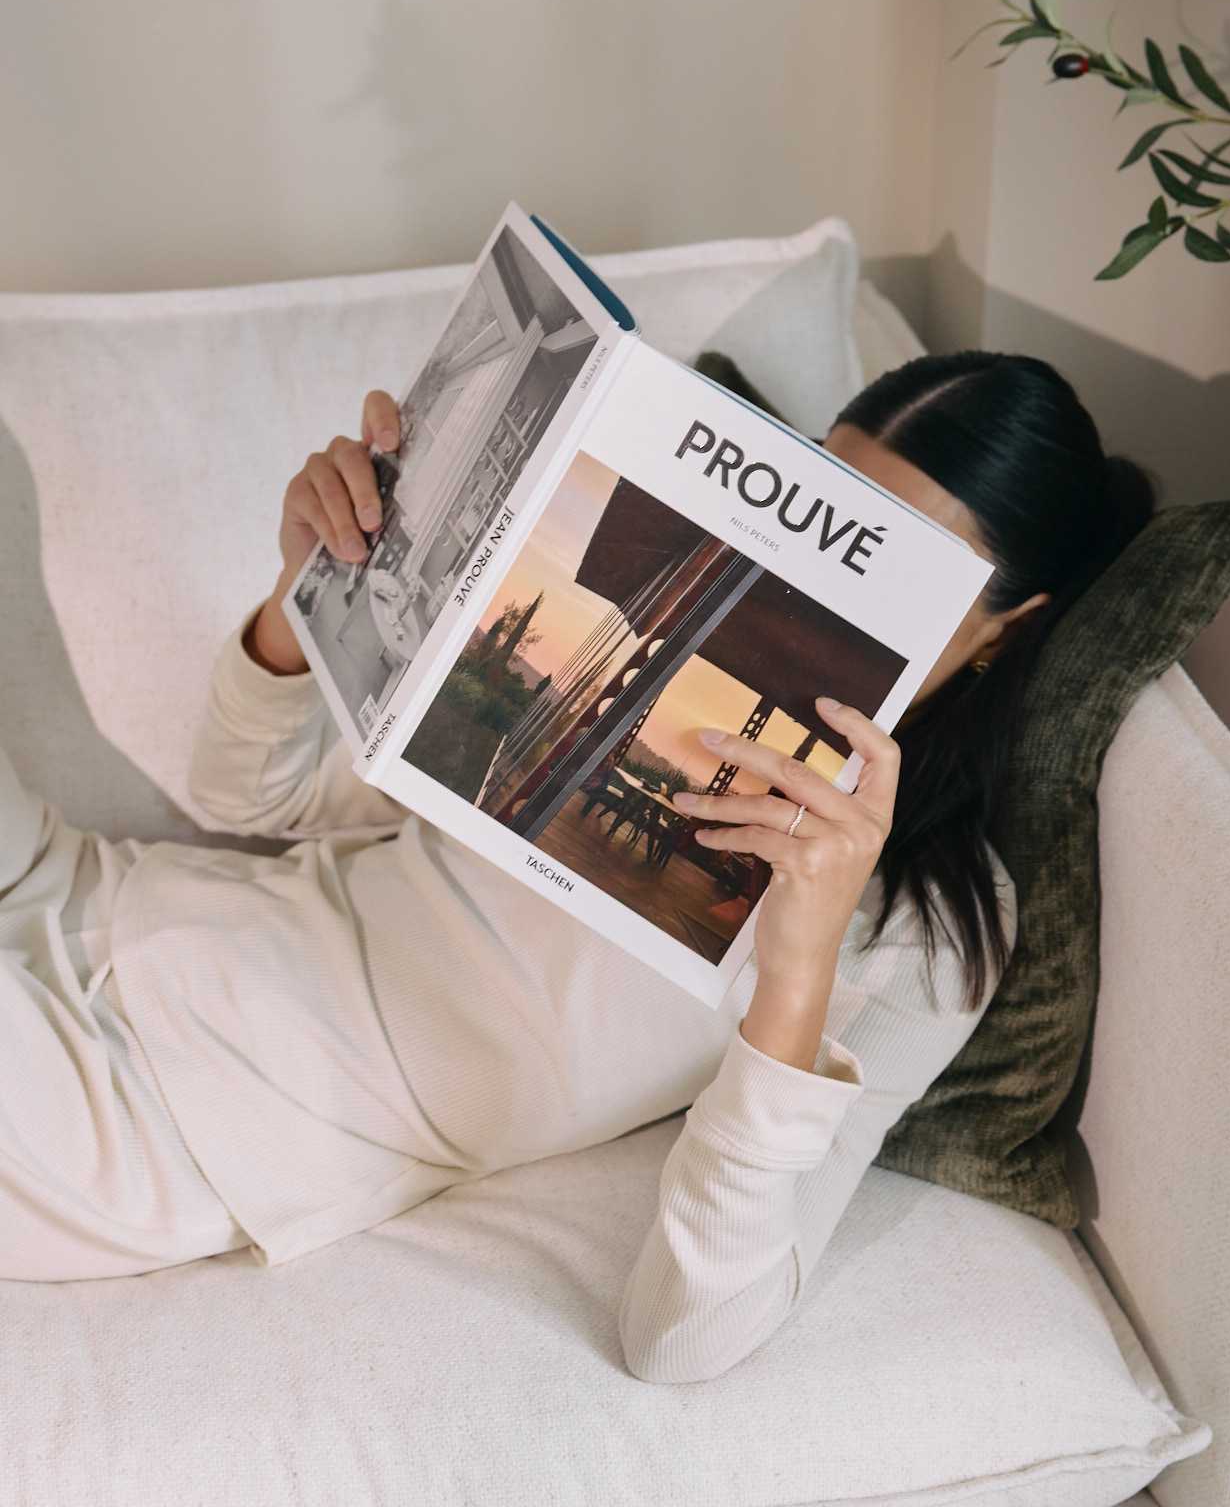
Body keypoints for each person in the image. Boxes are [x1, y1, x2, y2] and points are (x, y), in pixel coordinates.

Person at [0, 351, 1157, 1384]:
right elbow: (252, 797)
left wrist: (796, 972)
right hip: (91, 892)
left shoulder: (923, 933)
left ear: (1004, 624)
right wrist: (308, 591)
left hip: (157, 1115)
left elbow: (687, 1336)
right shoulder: (642, 693)